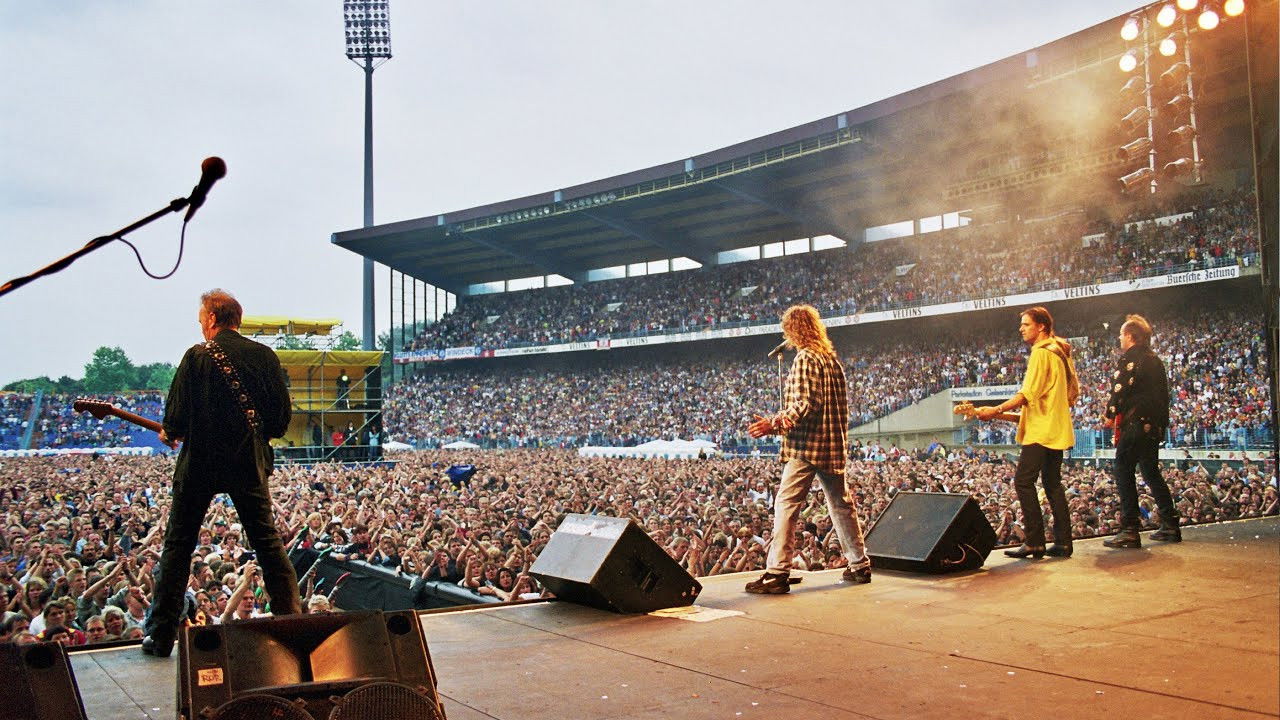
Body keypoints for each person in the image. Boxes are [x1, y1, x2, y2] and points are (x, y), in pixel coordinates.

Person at [142, 289, 300, 657]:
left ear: (212, 318)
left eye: (201, 318)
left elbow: (175, 420)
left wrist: (171, 431)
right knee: (268, 543)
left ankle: (161, 635)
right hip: (247, 461)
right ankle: (293, 625)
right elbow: (280, 421)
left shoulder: (197, 357)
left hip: (200, 463)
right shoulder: (264, 356)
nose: (200, 324)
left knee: (179, 545)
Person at [744, 304, 871, 594]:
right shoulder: (830, 360)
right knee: (841, 504)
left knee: (786, 503)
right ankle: (859, 564)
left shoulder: (805, 358)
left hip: (807, 445)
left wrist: (773, 424)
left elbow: (805, 404)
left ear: (793, 329)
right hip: (831, 445)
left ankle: (777, 572)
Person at [977, 306, 1079, 559]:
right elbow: (1056, 398)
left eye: (1026, 324)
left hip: (1041, 432)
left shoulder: (1041, 353)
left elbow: (1027, 395)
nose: (1021, 329)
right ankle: (1063, 542)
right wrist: (997, 414)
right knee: (1052, 484)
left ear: (1041, 326)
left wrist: (996, 409)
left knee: (1023, 481)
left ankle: (1034, 542)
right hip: (1055, 428)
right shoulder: (1060, 352)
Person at [1102, 314, 1180, 548]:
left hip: (1135, 422)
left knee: (1122, 468)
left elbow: (1119, 389)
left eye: (1121, 335)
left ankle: (1129, 528)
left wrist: (1109, 413)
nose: (1119, 340)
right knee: (1150, 471)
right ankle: (1170, 524)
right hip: (1153, 425)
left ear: (1130, 336)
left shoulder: (1131, 358)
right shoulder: (1155, 360)